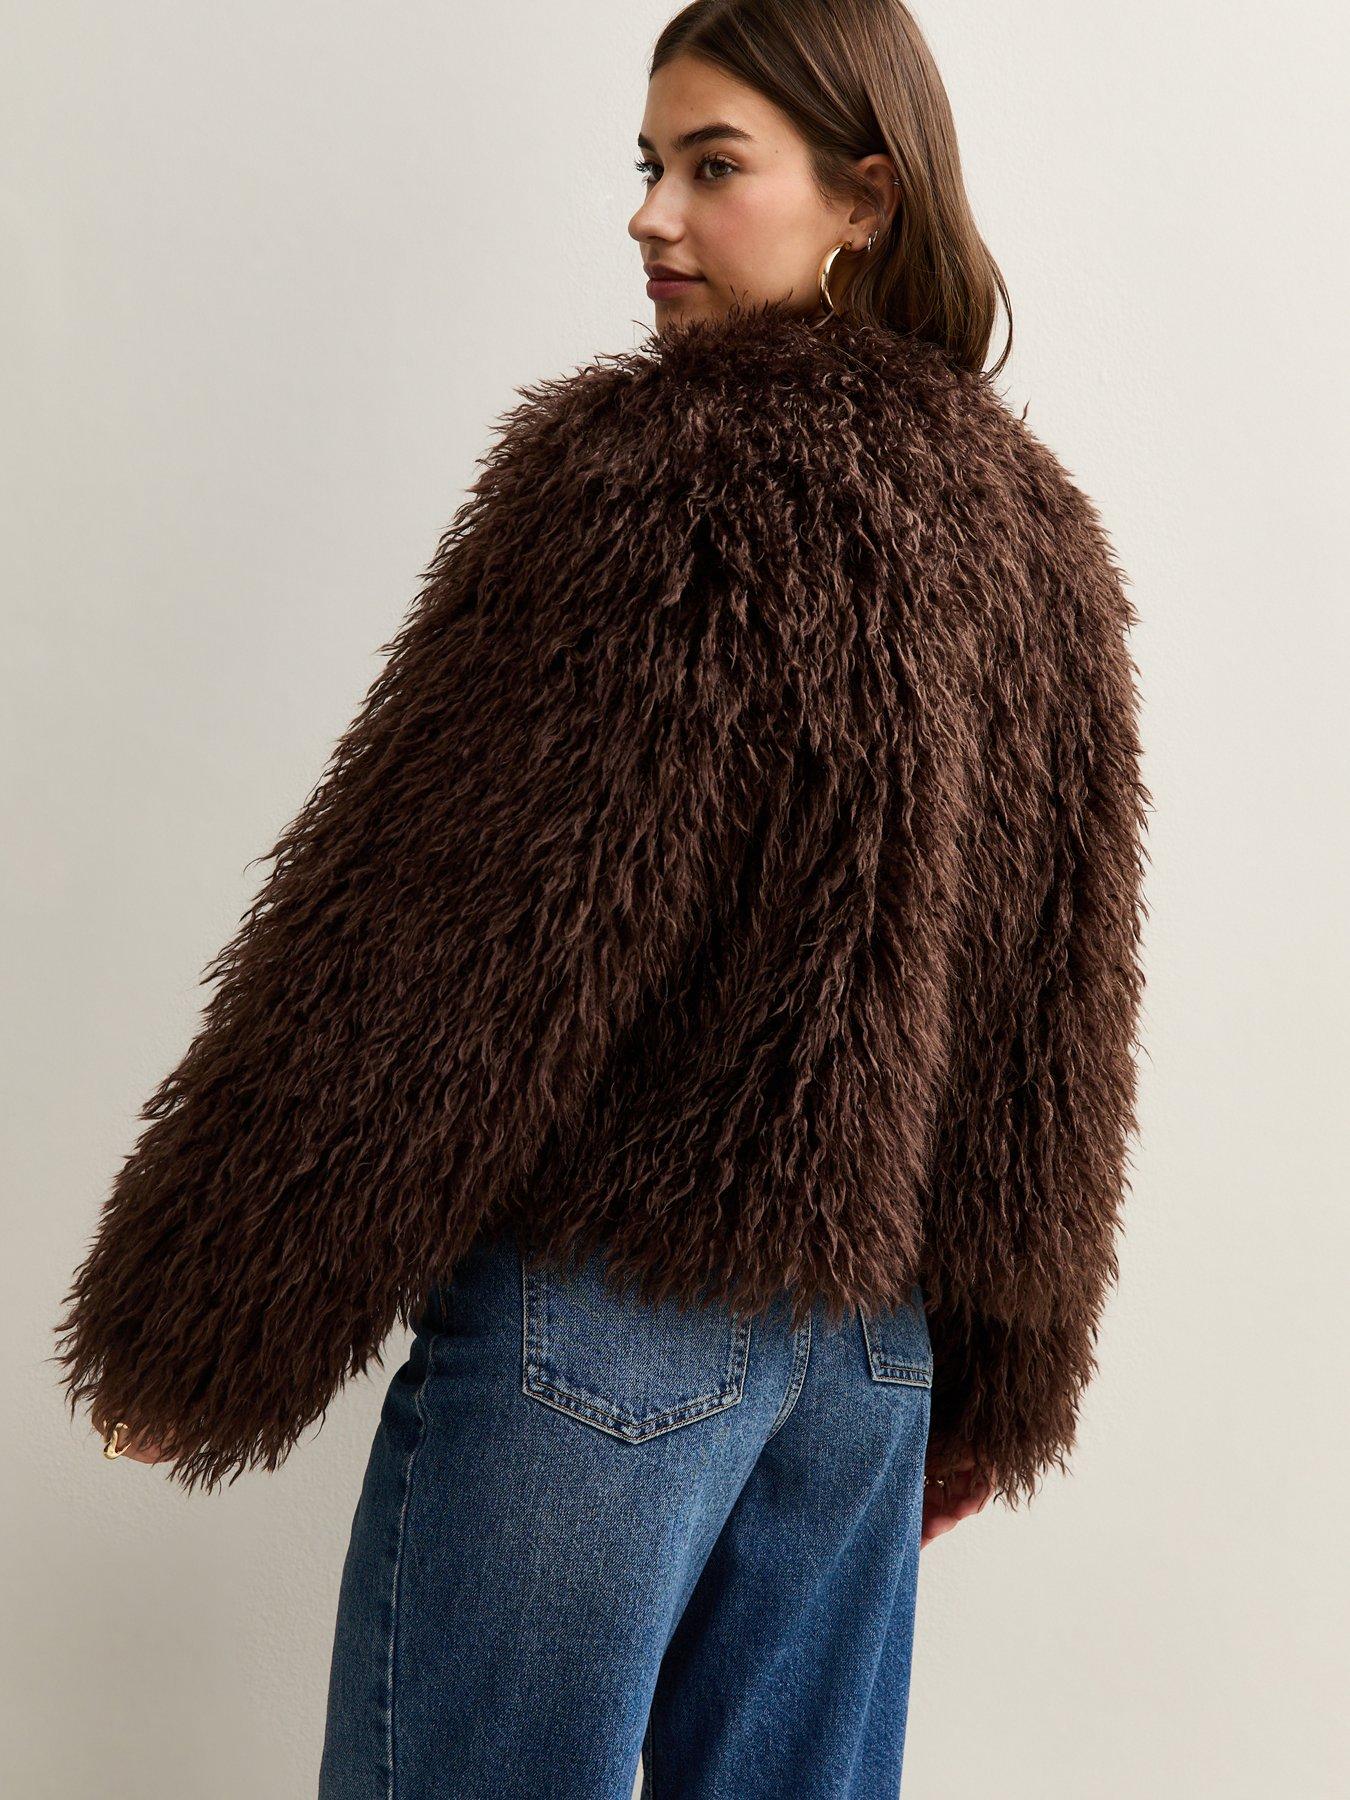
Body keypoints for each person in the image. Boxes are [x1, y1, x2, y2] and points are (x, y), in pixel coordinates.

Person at [53, 2, 1149, 1795]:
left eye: (712, 166)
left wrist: (210, 1315)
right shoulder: (1034, 531)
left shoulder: (658, 476)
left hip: (613, 1321)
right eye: (649, 165)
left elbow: (455, 940)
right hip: (866, 1374)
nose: (651, 213)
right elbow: (1059, 1013)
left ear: (864, 197)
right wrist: (996, 1375)